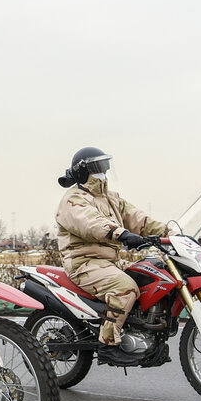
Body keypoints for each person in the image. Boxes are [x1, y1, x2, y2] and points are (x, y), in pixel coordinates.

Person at [55, 147, 168, 366]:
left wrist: (170, 234)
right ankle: (108, 345)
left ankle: (142, 331)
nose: (103, 173)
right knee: (124, 288)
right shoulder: (73, 200)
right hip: (84, 262)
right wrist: (122, 234)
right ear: (84, 172)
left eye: (105, 167)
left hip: (110, 261)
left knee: (154, 272)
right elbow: (91, 224)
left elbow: (140, 220)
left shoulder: (112, 199)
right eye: (97, 168)